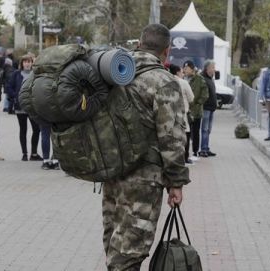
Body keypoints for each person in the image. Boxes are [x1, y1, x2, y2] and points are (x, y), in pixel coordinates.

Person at [102, 23, 189, 270]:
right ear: (166, 51)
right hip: (143, 179)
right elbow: (171, 138)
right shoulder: (164, 82)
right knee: (129, 252)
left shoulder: (113, 74)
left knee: (114, 243)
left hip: (112, 173)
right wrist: (176, 182)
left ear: (139, 45)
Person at [6, 55, 42, 161]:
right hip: (20, 106)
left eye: (29, 62)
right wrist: (15, 97)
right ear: (22, 63)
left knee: (36, 129)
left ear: (32, 63)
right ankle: (24, 153)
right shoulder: (16, 74)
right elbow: (8, 87)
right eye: (25, 62)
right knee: (23, 130)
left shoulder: (35, 75)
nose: (27, 64)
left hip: (32, 107)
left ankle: (34, 154)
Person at [183, 60, 208, 160]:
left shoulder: (199, 79)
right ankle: (186, 153)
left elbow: (205, 95)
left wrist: (197, 104)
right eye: (184, 68)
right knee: (187, 133)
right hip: (186, 111)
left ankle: (195, 151)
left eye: (186, 68)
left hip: (196, 111)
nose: (184, 70)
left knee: (195, 132)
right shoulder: (184, 78)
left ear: (192, 69)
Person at [169, 64, 194, 164]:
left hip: (169, 113)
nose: (183, 74)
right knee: (185, 135)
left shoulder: (167, 80)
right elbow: (191, 98)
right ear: (178, 72)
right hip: (182, 114)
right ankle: (185, 157)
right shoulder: (183, 83)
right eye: (182, 72)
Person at [199, 59, 217, 157]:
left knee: (208, 129)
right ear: (207, 69)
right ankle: (203, 149)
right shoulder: (202, 78)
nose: (214, 70)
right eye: (213, 68)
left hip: (211, 109)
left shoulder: (210, 79)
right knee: (205, 129)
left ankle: (206, 147)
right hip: (206, 108)